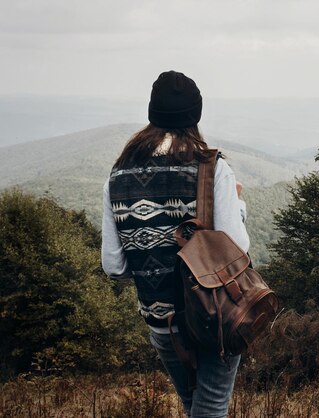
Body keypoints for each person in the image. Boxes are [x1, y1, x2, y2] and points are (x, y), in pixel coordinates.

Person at [101, 70, 249, 417]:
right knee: (210, 409)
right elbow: (237, 251)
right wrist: (238, 205)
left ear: (153, 113)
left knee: (194, 405)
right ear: (195, 115)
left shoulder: (118, 176)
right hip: (213, 316)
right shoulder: (211, 169)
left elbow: (114, 265)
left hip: (161, 321)